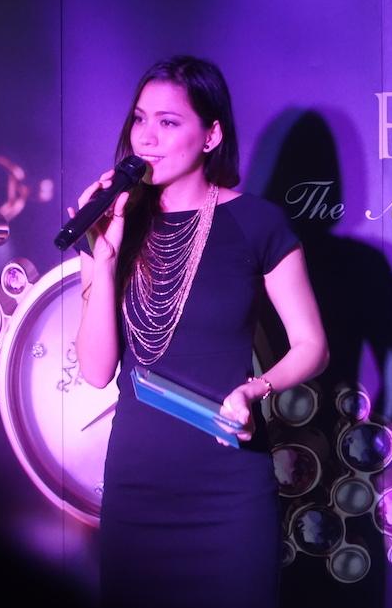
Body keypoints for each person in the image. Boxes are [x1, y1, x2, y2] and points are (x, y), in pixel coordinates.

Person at [68, 55, 329, 608]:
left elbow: (312, 346)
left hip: (227, 489)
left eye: (168, 122)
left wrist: (255, 389)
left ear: (211, 135)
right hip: (137, 487)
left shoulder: (256, 223)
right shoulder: (110, 226)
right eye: (140, 120)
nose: (147, 138)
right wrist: (104, 256)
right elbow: (95, 370)